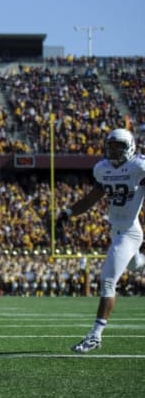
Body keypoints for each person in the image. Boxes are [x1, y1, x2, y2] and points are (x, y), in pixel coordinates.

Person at [57, 128, 145, 353]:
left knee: (107, 281)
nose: (114, 150)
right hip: (116, 230)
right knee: (136, 266)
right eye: (111, 146)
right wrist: (67, 213)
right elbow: (92, 198)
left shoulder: (138, 166)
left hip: (130, 232)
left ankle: (95, 336)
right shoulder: (102, 169)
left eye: (119, 146)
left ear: (130, 147)